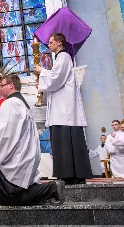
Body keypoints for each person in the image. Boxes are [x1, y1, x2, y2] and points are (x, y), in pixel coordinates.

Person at [0, 74, 65, 205]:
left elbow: (5, 134)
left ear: (11, 85)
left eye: (2, 85)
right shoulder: (22, 103)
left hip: (18, 158)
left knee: (8, 196)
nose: (0, 89)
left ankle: (52, 188)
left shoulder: (10, 103)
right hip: (25, 156)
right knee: (11, 192)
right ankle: (50, 189)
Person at [35, 33, 92, 184]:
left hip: (65, 109)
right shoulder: (59, 58)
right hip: (59, 107)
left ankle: (72, 174)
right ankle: (66, 173)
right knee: (61, 140)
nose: (49, 44)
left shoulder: (64, 57)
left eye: (51, 42)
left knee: (67, 139)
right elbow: (55, 79)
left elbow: (56, 78)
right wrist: (43, 84)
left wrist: (42, 72)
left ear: (59, 42)